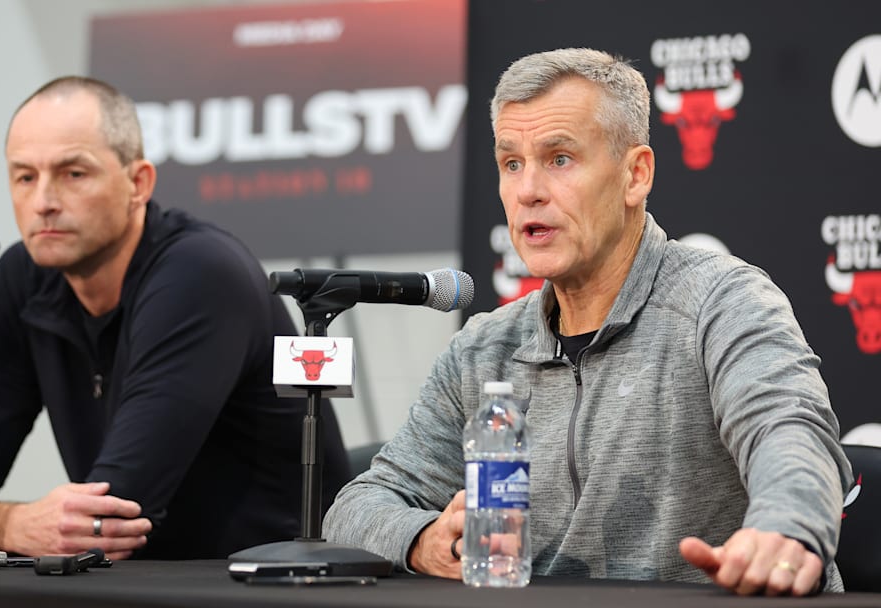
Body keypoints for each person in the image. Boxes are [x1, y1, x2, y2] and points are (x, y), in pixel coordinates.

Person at [322, 48, 852, 596]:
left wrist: (786, 529)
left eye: (559, 159)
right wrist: (423, 539)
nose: (527, 190)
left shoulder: (720, 300)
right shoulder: (483, 347)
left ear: (635, 175)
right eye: (511, 163)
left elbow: (789, 430)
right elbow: (358, 505)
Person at [0, 76, 350, 560]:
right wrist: (7, 524)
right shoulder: (22, 279)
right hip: (142, 583)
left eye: (73, 174)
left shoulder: (200, 274)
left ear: (138, 184)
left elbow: (108, 517)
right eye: (25, 176)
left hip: (275, 584)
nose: (43, 201)